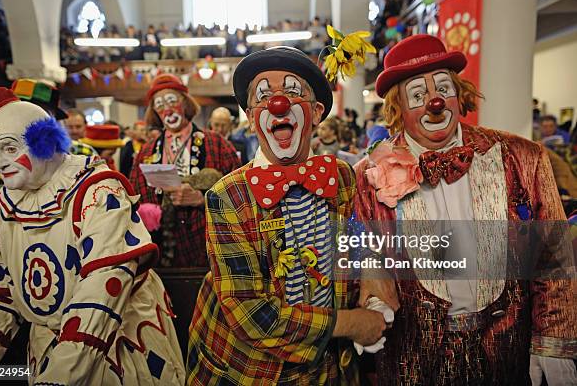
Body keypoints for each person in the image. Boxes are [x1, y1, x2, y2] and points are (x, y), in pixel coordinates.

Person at [353, 34, 576, 385]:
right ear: (397, 108)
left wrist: (553, 339)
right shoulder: (369, 175)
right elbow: (364, 257)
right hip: (414, 359)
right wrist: (372, 304)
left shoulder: (521, 157)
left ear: (459, 94)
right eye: (417, 95)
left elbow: (554, 255)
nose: (435, 102)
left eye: (443, 88)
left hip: (508, 351)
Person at [188, 47, 386, 384]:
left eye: (293, 92)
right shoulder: (227, 196)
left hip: (330, 368)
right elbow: (252, 314)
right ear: (252, 119)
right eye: (263, 96)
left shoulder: (343, 177)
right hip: (250, 372)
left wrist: (375, 293)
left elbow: (364, 250)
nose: (277, 103)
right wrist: (353, 322)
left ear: (317, 111)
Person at [0, 87, 185, 385]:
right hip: (50, 350)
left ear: (43, 143)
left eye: (9, 148)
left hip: (119, 345)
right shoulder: (3, 208)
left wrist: (60, 375)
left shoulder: (99, 194)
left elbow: (102, 293)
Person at [129, 74, 240, 267]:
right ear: (154, 111)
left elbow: (240, 192)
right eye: (160, 104)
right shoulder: (145, 152)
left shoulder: (217, 143)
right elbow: (134, 198)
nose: (168, 109)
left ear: (185, 103)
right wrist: (146, 211)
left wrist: (202, 199)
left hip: (209, 249)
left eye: (172, 101)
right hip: (162, 253)